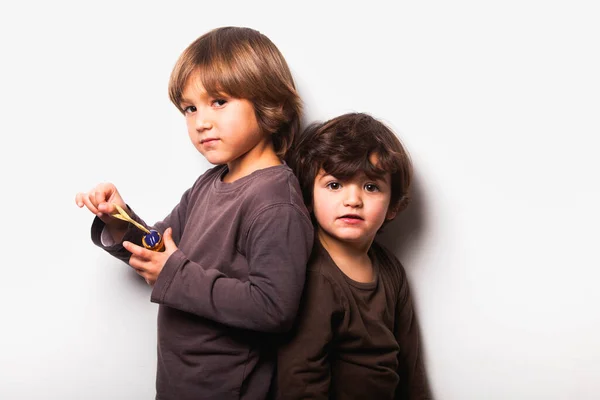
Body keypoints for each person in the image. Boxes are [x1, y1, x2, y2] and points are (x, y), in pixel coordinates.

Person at [75, 27, 314, 400]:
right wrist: (118, 218)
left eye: (218, 101)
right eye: (190, 108)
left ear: (269, 102)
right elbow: (158, 247)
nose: (200, 121)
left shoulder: (275, 201)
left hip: (228, 388)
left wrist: (175, 273)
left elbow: (274, 308)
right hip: (179, 381)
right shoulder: (209, 183)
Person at [277, 113, 431, 399]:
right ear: (308, 198)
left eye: (370, 187)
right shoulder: (312, 275)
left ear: (393, 206)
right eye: (334, 185)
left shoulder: (390, 269)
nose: (352, 200)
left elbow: (411, 365)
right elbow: (299, 380)